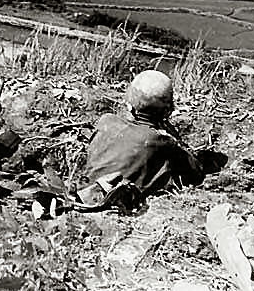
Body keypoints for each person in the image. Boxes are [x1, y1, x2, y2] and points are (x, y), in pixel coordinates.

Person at [84, 70, 225, 199]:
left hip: (86, 191)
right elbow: (195, 172)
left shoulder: (106, 121)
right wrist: (172, 136)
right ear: (167, 108)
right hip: (117, 203)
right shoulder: (160, 141)